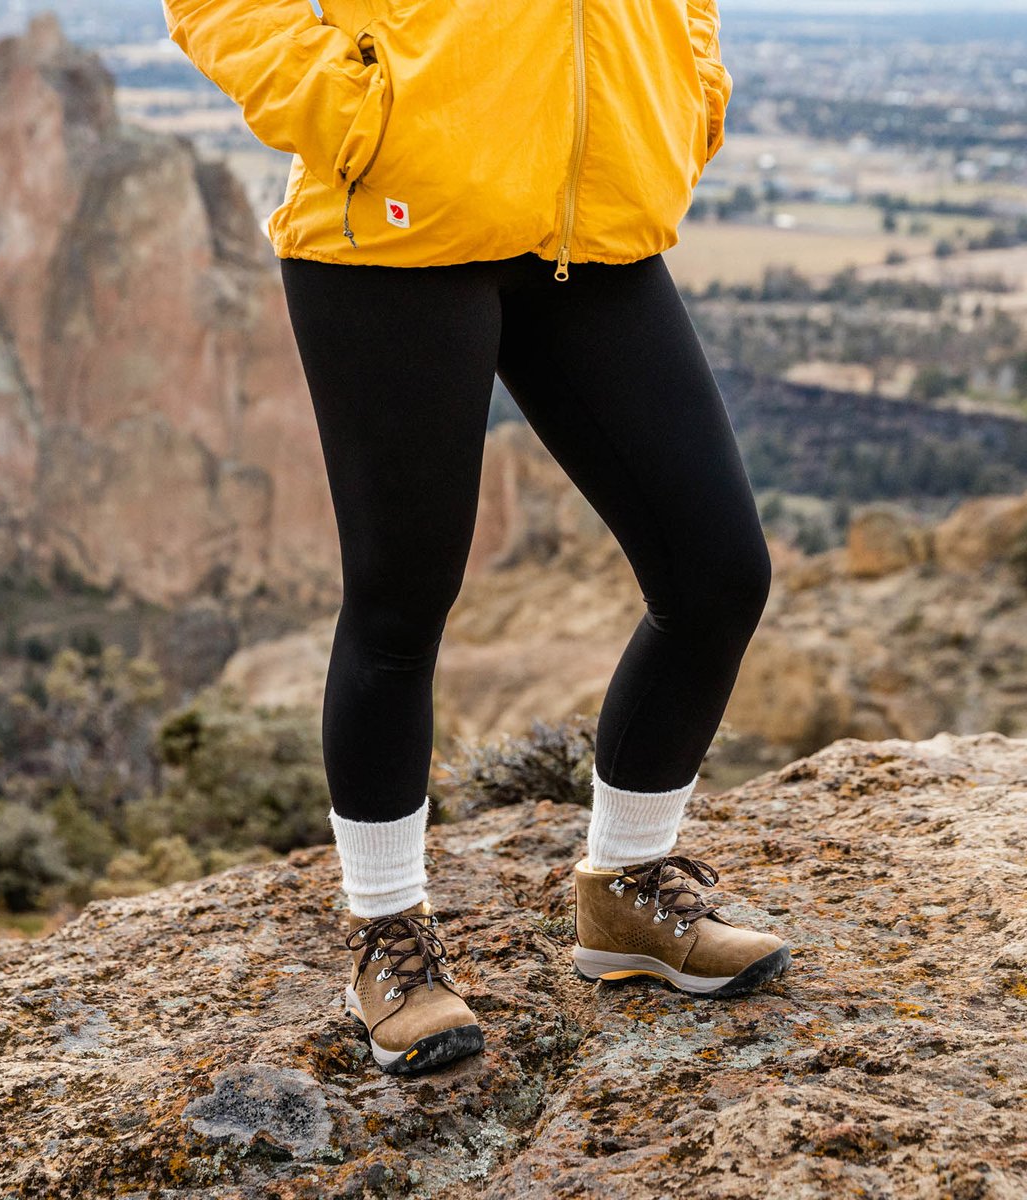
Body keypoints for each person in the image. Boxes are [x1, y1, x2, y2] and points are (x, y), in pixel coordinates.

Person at [163, 0, 791, 1076]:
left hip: (592, 222)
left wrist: (684, 93)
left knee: (717, 573)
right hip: (399, 221)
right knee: (402, 605)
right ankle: (388, 935)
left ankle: (630, 891)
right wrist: (359, 115)